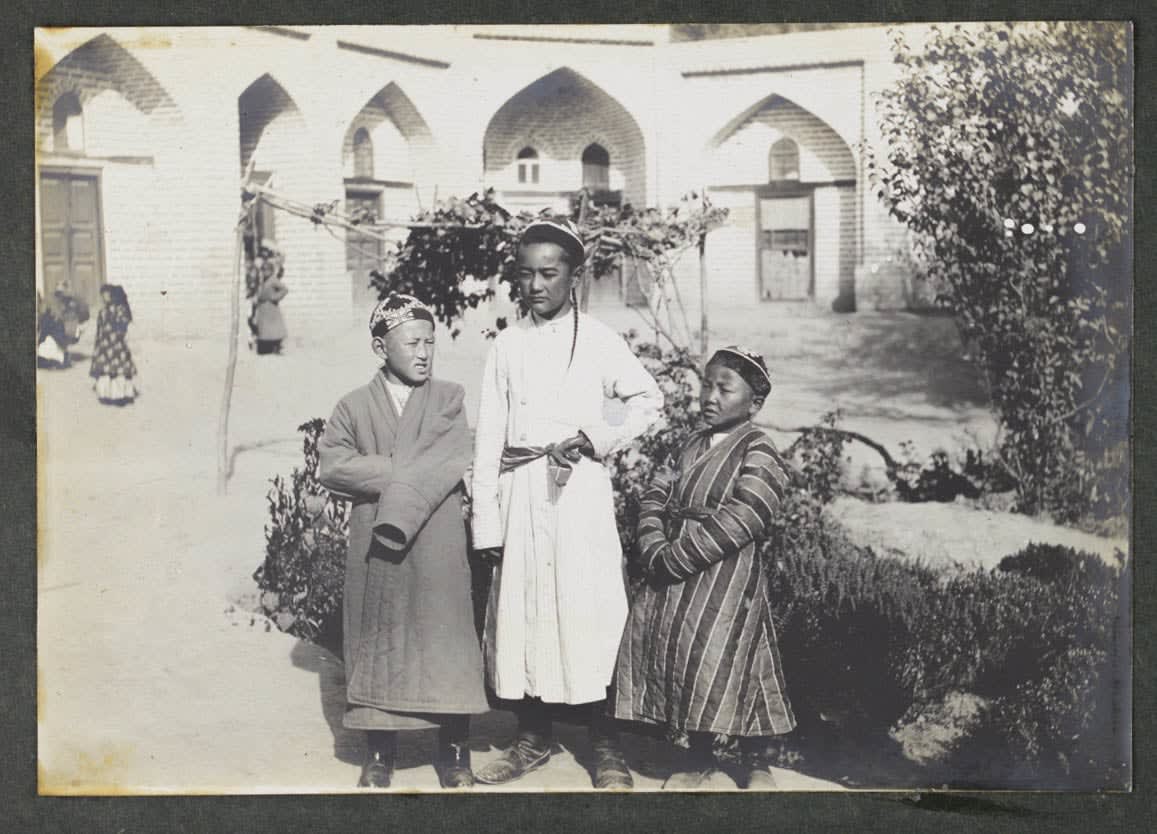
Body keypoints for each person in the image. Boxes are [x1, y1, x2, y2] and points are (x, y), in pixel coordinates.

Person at [470, 218, 663, 789]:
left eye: (549, 274)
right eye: (526, 274)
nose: (535, 285)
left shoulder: (601, 339)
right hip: (522, 492)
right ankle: (532, 737)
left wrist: (594, 437)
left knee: (591, 612)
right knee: (525, 612)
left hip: (578, 493)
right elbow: (488, 439)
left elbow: (650, 401)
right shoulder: (506, 344)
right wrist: (488, 524)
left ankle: (605, 745)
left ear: (573, 278)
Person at [318, 293, 487, 790]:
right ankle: (379, 753)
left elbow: (453, 454)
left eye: (431, 342)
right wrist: (402, 473)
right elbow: (333, 466)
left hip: (437, 537)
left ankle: (454, 752)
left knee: (446, 636)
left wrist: (391, 479)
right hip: (377, 541)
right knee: (379, 637)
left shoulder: (448, 398)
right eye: (412, 342)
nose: (424, 353)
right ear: (380, 346)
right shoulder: (352, 407)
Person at [612, 347, 796, 790]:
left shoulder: (759, 448)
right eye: (706, 385)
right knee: (690, 663)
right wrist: (652, 542)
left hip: (725, 575)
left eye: (724, 388)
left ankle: (757, 762)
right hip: (673, 574)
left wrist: (677, 557)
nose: (709, 397)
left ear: (753, 403)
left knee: (732, 659)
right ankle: (697, 758)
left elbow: (748, 511)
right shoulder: (690, 443)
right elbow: (656, 492)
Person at [89, 284, 139, 406]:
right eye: (103, 295)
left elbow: (124, 326)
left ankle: (120, 395)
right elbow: (99, 329)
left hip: (117, 344)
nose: (104, 297)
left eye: (107, 294)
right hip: (104, 345)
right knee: (107, 370)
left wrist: (117, 333)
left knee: (117, 370)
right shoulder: (103, 311)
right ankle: (108, 395)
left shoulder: (120, 310)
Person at [37, 281, 90, 369]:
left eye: (63, 291)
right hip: (53, 330)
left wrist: (77, 324)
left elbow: (84, 314)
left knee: (58, 341)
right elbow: (44, 316)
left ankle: (61, 358)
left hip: (67, 327)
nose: (61, 295)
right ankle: (57, 359)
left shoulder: (74, 301)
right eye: (58, 292)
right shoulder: (50, 301)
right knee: (49, 345)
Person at [251, 241, 288, 354]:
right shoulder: (263, 280)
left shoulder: (273, 280)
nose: (265, 273)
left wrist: (274, 297)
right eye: (263, 271)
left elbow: (284, 289)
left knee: (274, 328)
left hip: (271, 308)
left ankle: (276, 346)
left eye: (267, 271)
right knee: (264, 329)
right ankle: (266, 347)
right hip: (263, 309)